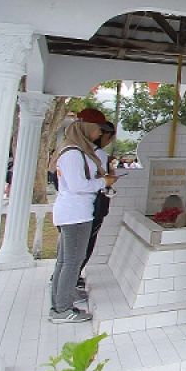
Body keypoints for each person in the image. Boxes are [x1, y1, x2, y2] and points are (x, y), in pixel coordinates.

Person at [49, 115, 118, 323]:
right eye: (97, 129)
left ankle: (61, 301)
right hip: (75, 213)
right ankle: (62, 309)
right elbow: (78, 186)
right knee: (71, 261)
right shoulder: (72, 154)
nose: (99, 134)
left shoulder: (78, 152)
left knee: (66, 261)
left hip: (76, 212)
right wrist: (102, 182)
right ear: (86, 129)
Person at [77, 108, 117, 286]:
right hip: (91, 206)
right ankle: (72, 279)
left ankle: (68, 279)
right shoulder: (97, 154)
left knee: (73, 250)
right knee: (84, 245)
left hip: (77, 208)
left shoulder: (76, 150)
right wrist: (108, 179)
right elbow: (101, 181)